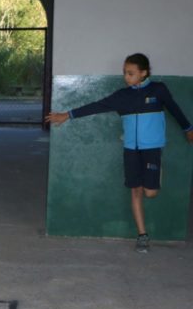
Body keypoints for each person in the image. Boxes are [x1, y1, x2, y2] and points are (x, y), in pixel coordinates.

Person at [46, 53, 193, 253]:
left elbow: (174, 109)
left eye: (131, 73)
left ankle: (156, 173)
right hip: (131, 150)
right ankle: (142, 236)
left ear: (144, 73)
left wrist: (188, 129)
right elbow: (96, 106)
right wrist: (67, 115)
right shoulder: (122, 96)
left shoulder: (159, 90)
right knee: (135, 190)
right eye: (125, 73)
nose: (126, 77)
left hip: (152, 149)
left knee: (150, 192)